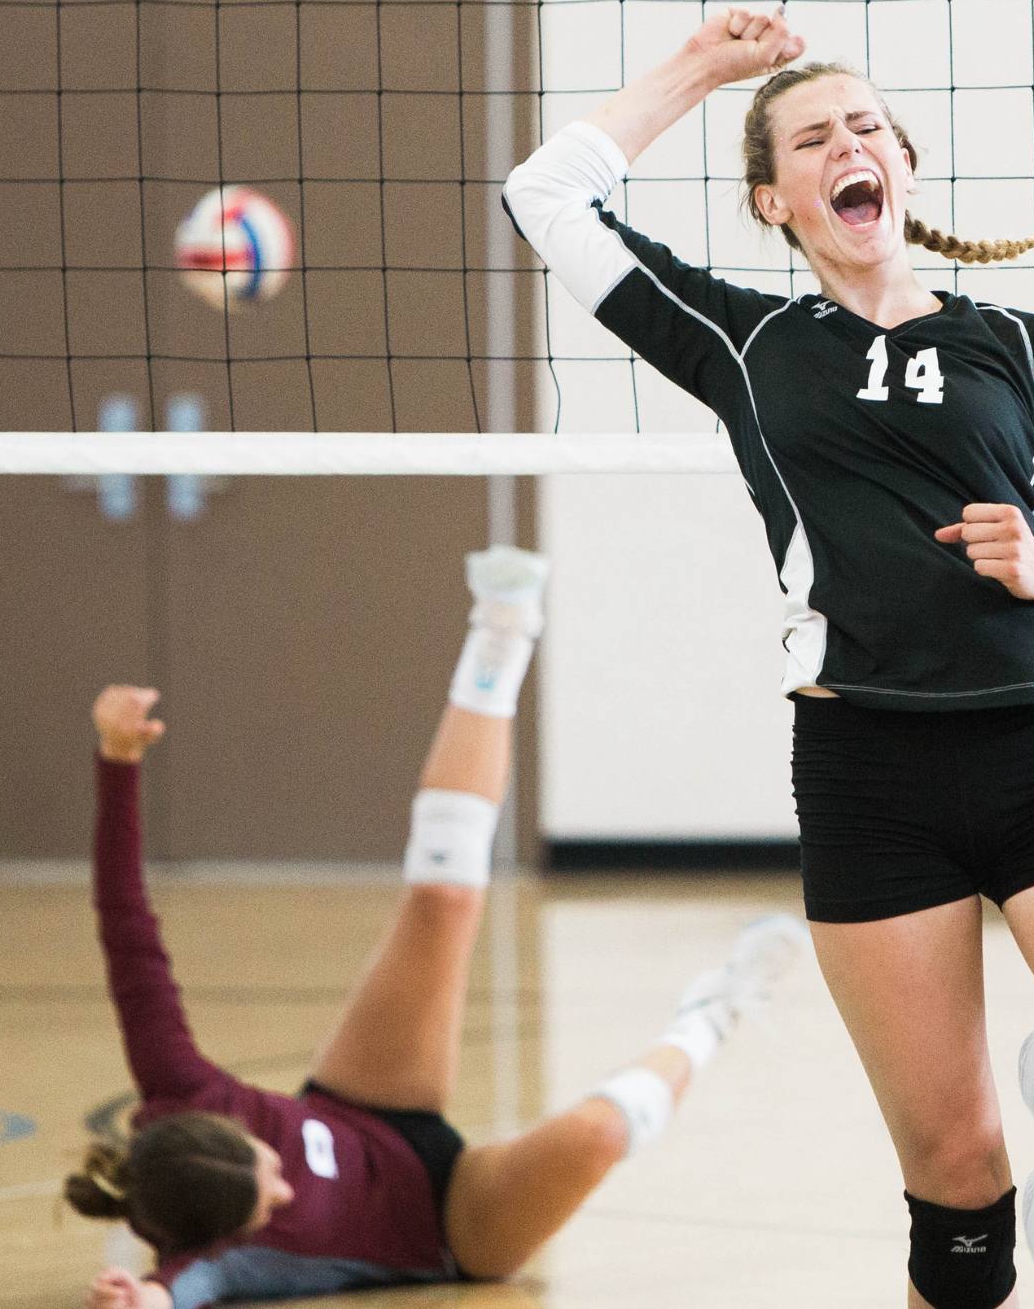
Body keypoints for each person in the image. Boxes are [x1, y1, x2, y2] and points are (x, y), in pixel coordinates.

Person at [503, 10, 1034, 1307]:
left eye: (866, 126)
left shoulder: (1028, 349)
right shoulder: (747, 344)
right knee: (957, 1193)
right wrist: (705, 69)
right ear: (774, 198)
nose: (847, 145)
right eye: (812, 137)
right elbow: (545, 194)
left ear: (903, 165)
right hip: (867, 773)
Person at [70, 547, 804, 1309]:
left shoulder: (176, 1080)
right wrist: (140, 1301)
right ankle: (715, 1011)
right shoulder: (218, 1255)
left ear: (220, 1126)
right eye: (273, 1202)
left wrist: (117, 762)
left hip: (360, 1107)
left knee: (443, 902)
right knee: (596, 1136)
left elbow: (125, 926)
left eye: (267, 1166)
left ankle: (503, 628)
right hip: (452, 1223)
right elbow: (177, 1289)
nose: (285, 1187)